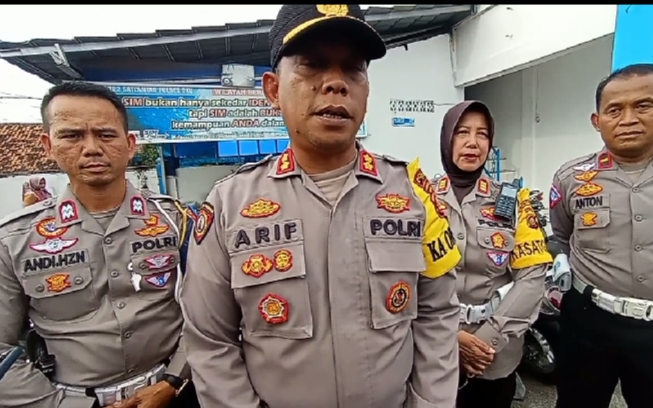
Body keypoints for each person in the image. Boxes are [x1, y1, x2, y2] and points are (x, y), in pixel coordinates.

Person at [180, 4, 462, 408]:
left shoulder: (413, 194)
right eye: (312, 66)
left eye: (353, 70)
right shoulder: (229, 204)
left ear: (366, 89)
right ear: (274, 90)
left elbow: (437, 314)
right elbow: (210, 340)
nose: (335, 84)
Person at [0, 81, 198, 408]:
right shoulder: (11, 240)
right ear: (48, 145)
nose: (91, 148)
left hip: (176, 393)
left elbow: (209, 315)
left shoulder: (179, 221)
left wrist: (175, 379)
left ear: (130, 144)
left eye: (105, 134)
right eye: (72, 135)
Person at [550, 63, 653, 408]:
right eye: (614, 110)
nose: (628, 119)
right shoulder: (572, 178)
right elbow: (561, 237)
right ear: (597, 121)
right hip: (590, 324)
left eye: (643, 105)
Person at [433, 101, 552, 408]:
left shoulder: (514, 202)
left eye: (482, 134)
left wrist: (488, 339)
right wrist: (452, 338)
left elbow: (532, 279)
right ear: (447, 138)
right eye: (462, 132)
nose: (473, 142)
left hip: (493, 356)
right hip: (431, 344)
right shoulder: (420, 197)